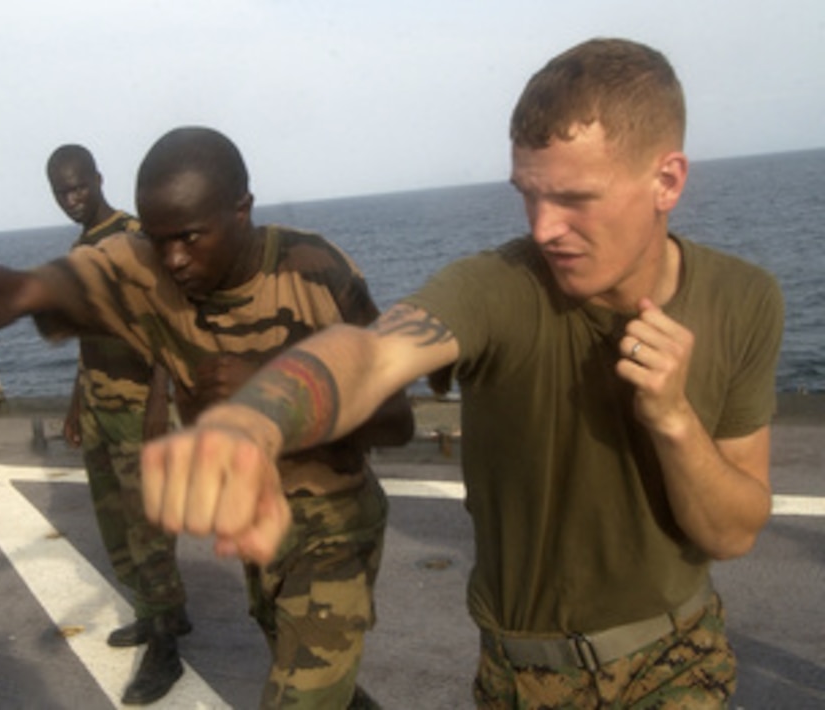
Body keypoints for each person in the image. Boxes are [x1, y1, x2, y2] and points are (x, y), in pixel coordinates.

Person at [138, 39, 785, 707]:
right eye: (528, 196)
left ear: (667, 181)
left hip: (676, 662)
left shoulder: (743, 299)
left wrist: (674, 420)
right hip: (522, 674)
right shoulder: (500, 287)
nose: (543, 229)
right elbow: (373, 354)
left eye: (574, 197)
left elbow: (731, 533)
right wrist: (255, 418)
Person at [0, 126, 414, 709]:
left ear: (241, 211)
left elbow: (397, 420)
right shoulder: (138, 265)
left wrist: (282, 389)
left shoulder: (316, 271)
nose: (175, 261)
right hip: (251, 526)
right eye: (159, 242)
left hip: (331, 527)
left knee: (300, 695)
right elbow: (13, 291)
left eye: (191, 237)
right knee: (312, 674)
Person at [45, 144, 189, 704]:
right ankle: (156, 615)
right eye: (62, 191)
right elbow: (90, 336)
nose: (72, 198)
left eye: (79, 186)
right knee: (115, 525)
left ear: (99, 179)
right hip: (101, 407)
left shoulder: (134, 237)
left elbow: (171, 323)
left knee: (149, 527)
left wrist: (159, 401)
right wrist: (76, 403)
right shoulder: (81, 248)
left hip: (137, 407)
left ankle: (167, 649)